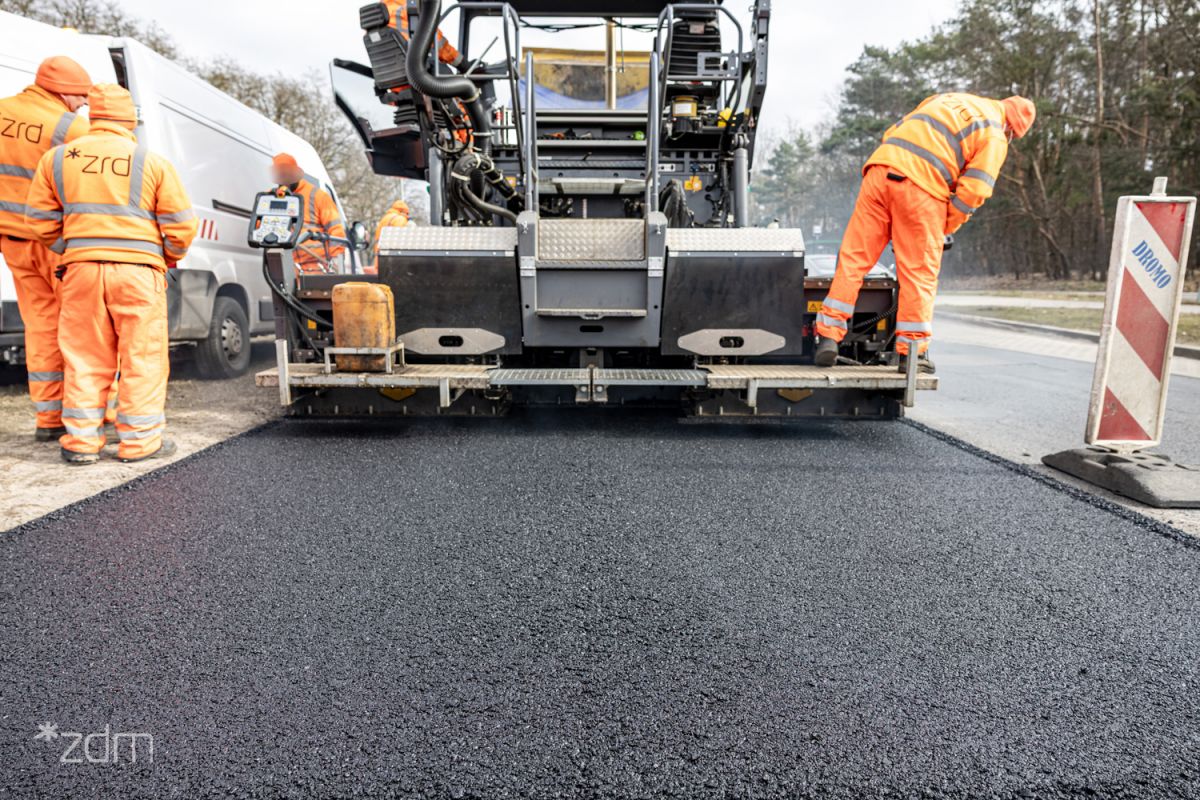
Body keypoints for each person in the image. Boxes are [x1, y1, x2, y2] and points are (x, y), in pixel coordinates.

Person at [25, 84, 197, 464]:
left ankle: (82, 444)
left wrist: (72, 249)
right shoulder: (150, 161)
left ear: (93, 118)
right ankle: (139, 443)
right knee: (142, 357)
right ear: (129, 120)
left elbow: (38, 220)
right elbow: (182, 226)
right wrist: (167, 255)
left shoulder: (56, 159)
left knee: (84, 357)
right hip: (138, 273)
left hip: (81, 271)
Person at [814, 93, 1037, 372]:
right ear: (1012, 129)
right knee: (919, 272)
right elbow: (975, 191)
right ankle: (912, 353)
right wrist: (945, 226)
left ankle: (828, 338)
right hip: (922, 187)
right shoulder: (995, 134)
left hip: (880, 170)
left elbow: (894, 130)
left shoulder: (950, 98)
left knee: (853, 260)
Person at [0, 56, 91, 441]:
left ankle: (49, 418)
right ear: (64, 92)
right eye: (80, 97)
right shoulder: (71, 127)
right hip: (55, 241)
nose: (83, 105)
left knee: (39, 328)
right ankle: (88, 417)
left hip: (12, 242)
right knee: (83, 327)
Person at [270, 153, 345, 274]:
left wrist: (336, 261)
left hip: (317, 269)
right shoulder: (271, 198)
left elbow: (336, 231)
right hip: (287, 268)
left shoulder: (318, 196)